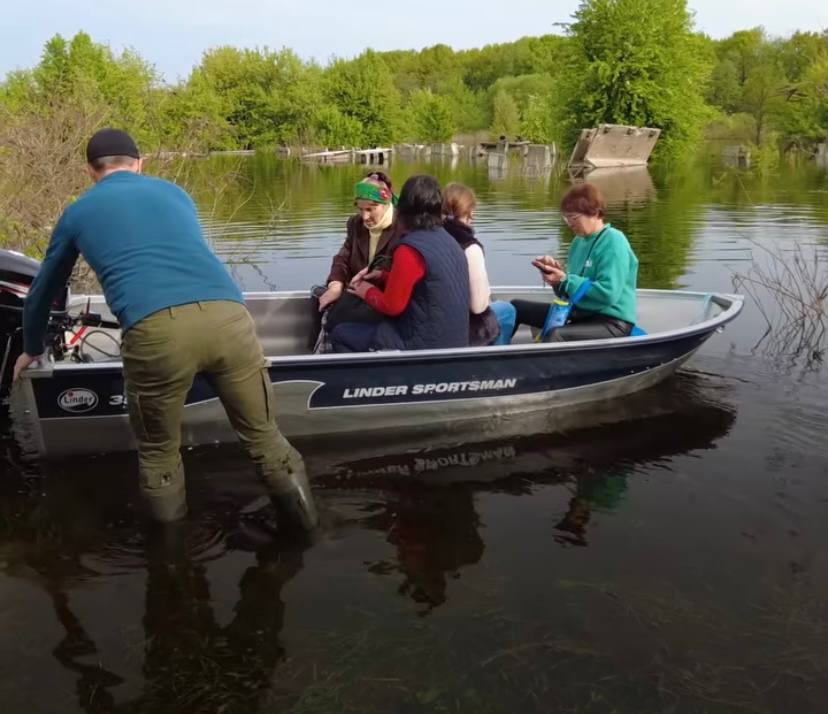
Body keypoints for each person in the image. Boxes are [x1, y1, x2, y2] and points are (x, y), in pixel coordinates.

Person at [13, 128, 318, 530]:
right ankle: (309, 533)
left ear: (91, 171)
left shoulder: (78, 212)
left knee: (159, 455)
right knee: (265, 438)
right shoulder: (176, 194)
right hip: (229, 316)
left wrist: (32, 346)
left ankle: (171, 571)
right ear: (140, 163)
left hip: (156, 331)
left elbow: (43, 292)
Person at [329, 175, 470, 353]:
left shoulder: (410, 249)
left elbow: (392, 307)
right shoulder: (449, 241)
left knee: (341, 334)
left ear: (402, 206)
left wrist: (366, 291)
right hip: (456, 341)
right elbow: (425, 283)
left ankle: (368, 380)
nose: (364, 216)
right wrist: (383, 276)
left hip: (424, 345)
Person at [511, 182, 639, 342]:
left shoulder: (614, 241)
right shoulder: (578, 242)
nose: (570, 223)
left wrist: (565, 279)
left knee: (556, 334)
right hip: (578, 313)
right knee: (516, 308)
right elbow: (569, 294)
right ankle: (491, 355)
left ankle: (544, 367)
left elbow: (608, 294)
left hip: (611, 322)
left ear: (594, 213)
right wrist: (556, 280)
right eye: (566, 217)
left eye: (573, 217)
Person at [317, 171, 401, 318]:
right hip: (358, 295)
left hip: (384, 302)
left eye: (370, 209)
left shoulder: (402, 227)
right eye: (361, 209)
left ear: (385, 203)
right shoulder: (355, 224)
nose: (365, 216)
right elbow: (343, 257)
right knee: (320, 300)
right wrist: (336, 284)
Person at [441, 183, 500, 346]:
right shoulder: (470, 248)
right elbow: (477, 307)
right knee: (509, 310)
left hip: (438, 322)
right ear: (469, 213)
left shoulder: (432, 239)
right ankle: (497, 364)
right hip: (466, 329)